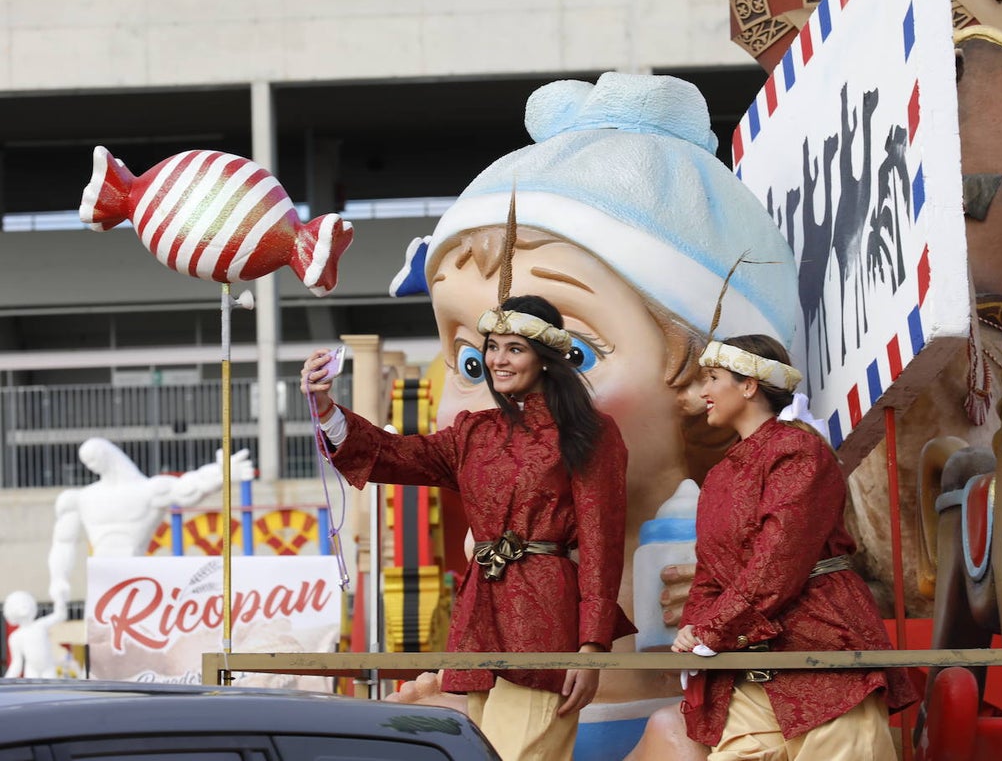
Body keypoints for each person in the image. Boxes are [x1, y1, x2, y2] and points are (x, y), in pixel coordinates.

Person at [386, 72, 799, 759]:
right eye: (468, 357)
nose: (495, 382)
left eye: (574, 351)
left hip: (660, 710)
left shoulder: (746, 491)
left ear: (707, 377)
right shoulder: (498, 503)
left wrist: (718, 584)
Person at [300, 292, 635, 761]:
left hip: (545, 615)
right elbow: (394, 455)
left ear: (547, 358)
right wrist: (325, 411)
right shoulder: (473, 431)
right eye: (492, 346)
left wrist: (592, 644)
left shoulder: (589, 432)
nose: (497, 359)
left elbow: (603, 540)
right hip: (479, 613)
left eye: (514, 348)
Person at [671, 334, 918, 761]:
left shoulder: (798, 450)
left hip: (823, 647)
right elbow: (711, 570)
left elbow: (779, 558)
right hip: (749, 665)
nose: (703, 392)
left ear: (749, 385)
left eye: (712, 378)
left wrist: (716, 630)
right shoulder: (719, 475)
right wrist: (693, 628)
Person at [48, 438, 253, 604]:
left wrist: (220, 474)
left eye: (94, 458)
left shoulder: (149, 491)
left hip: (138, 581)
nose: (92, 464)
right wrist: (58, 579)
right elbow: (63, 542)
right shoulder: (80, 498)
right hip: (101, 583)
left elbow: (189, 488)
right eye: (87, 461)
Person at [3, 589, 67, 678]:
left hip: (48, 668)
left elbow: (60, 615)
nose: (23, 605)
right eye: (18, 603)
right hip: (31, 670)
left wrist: (60, 599)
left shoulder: (41, 625)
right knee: (31, 690)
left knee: (50, 690)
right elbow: (16, 664)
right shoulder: (15, 637)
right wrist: (5, 683)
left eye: (25, 602)